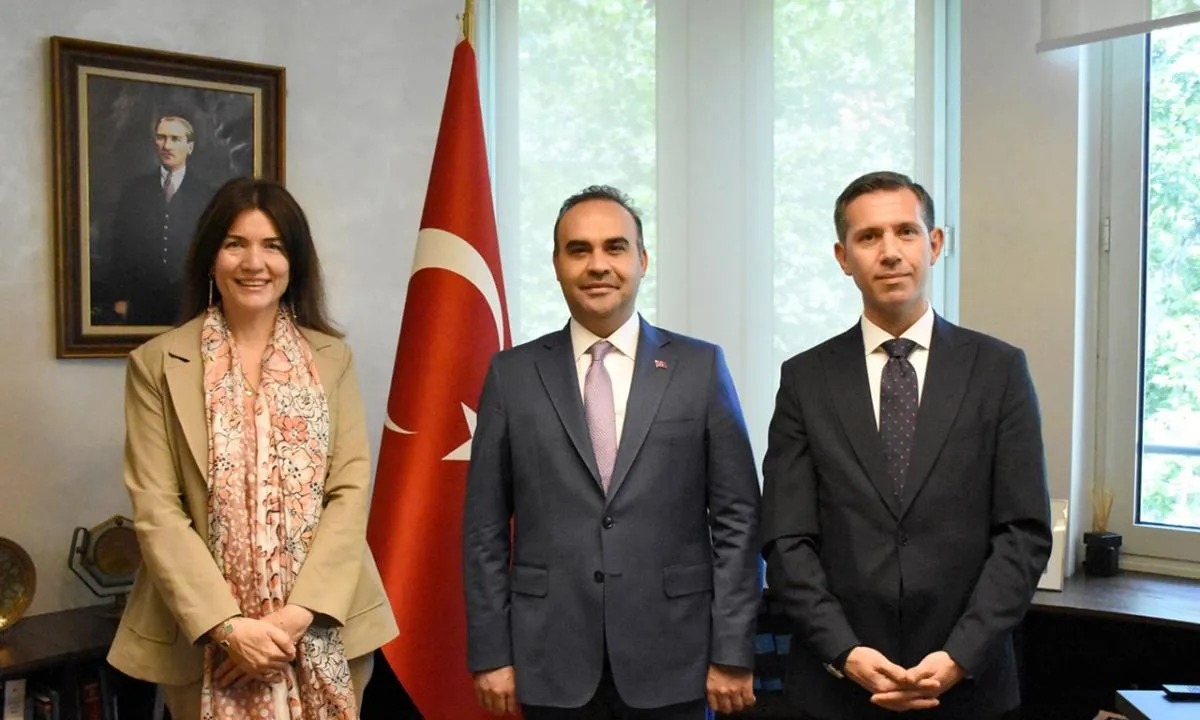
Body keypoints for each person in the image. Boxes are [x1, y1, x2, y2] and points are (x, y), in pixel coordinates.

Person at [462, 185, 762, 718]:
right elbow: (483, 528)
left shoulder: (699, 368)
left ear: (642, 260)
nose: (597, 264)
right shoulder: (512, 375)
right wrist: (491, 654)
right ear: (557, 265)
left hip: (677, 657)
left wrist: (733, 651)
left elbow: (738, 519)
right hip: (548, 660)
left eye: (615, 247)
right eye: (578, 250)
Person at [761, 171, 1052, 720]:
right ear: (843, 257)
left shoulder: (999, 370)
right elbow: (786, 538)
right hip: (837, 691)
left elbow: (1023, 534)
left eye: (906, 232)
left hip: (969, 688)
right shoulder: (805, 379)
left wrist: (960, 656)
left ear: (934, 243)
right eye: (869, 237)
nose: (890, 252)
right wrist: (845, 652)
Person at [107, 177, 398, 720]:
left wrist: (292, 621)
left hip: (323, 626)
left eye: (273, 246)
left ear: (294, 261)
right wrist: (230, 630)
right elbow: (157, 511)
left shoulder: (333, 359)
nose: (254, 263)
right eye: (235, 244)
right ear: (211, 256)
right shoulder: (156, 364)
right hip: (203, 642)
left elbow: (349, 491)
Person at [108, 115, 214, 325]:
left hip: (191, 302)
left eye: (175, 139)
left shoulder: (206, 194)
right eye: (161, 137)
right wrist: (120, 297)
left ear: (190, 147)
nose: (167, 146)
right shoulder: (134, 190)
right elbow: (120, 247)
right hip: (141, 300)